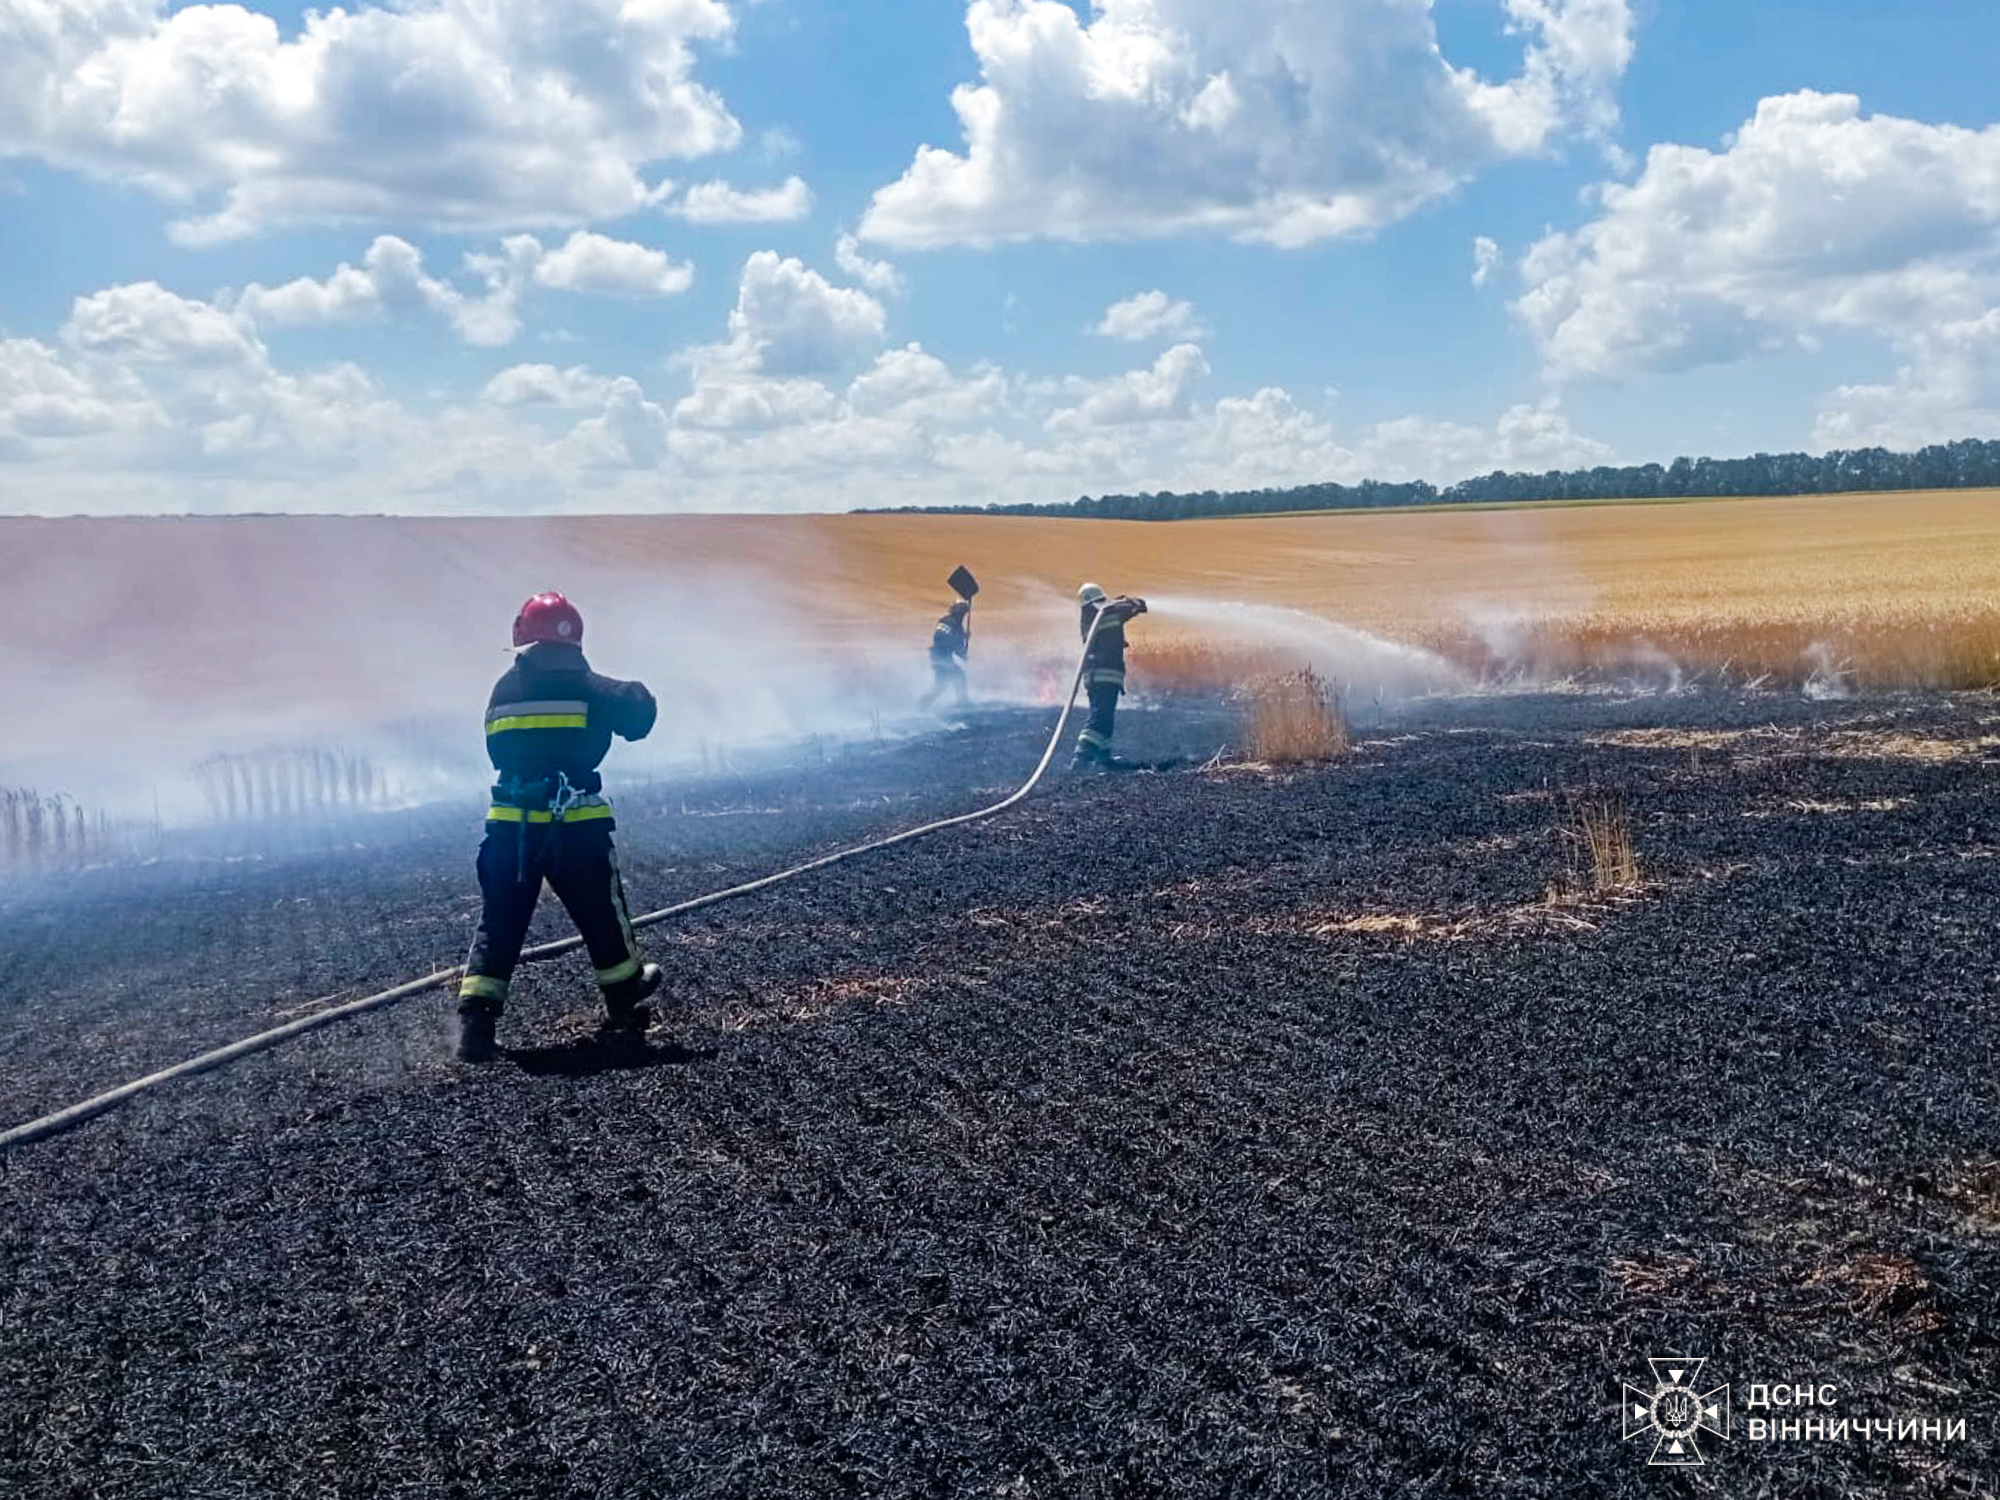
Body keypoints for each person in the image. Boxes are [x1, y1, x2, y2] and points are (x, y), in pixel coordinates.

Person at [456, 592, 663, 1063]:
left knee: (500, 924)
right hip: (574, 828)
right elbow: (638, 715)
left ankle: (475, 1027)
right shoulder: (588, 687)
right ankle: (624, 1004)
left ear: (521, 639)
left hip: (510, 830)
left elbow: (497, 753)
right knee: (602, 918)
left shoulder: (502, 693)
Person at [1072, 582, 1147, 771]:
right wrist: (1127, 602)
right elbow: (1136, 606)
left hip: (1099, 677)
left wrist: (1124, 602)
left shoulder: (1096, 615)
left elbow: (1131, 608)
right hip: (1103, 676)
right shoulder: (1103, 613)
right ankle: (1081, 756)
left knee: (1106, 716)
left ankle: (1103, 757)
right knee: (1100, 716)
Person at [917, 598, 972, 711]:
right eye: (962, 611)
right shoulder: (950, 623)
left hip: (943, 658)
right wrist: (962, 639)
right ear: (957, 611)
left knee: (944, 685)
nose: (963, 614)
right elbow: (943, 639)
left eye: (964, 611)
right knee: (956, 677)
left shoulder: (953, 624)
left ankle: (922, 705)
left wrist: (963, 647)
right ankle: (962, 702)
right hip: (941, 658)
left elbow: (956, 647)